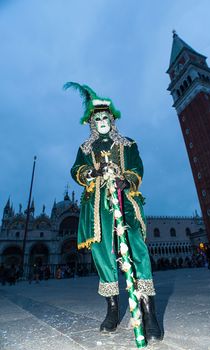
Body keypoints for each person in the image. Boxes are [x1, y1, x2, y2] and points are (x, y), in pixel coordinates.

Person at [66, 82, 162, 343]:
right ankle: (112, 309)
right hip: (97, 207)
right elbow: (76, 170)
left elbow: (137, 168)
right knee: (102, 253)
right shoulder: (85, 149)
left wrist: (125, 180)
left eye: (105, 117)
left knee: (137, 250)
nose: (102, 121)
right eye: (97, 119)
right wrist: (91, 173)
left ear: (112, 119)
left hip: (125, 202)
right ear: (92, 123)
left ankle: (148, 312)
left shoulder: (128, 144)